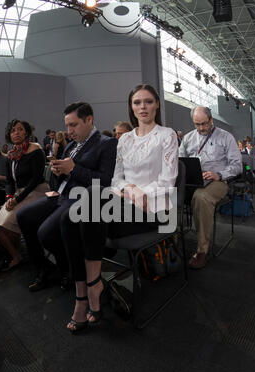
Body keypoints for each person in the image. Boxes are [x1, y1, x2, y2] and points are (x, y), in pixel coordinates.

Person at [61, 84, 179, 333]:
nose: (143, 107)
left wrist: (139, 192)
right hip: (125, 203)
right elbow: (116, 179)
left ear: (157, 104)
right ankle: (86, 290)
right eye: (137, 103)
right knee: (69, 218)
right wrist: (130, 189)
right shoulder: (124, 139)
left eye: (148, 102)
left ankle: (90, 291)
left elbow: (168, 181)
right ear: (131, 107)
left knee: (90, 204)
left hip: (153, 209)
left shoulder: (166, 135)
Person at [17, 102, 117, 293]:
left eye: (74, 125)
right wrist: (57, 172)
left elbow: (106, 182)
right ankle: (46, 269)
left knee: (45, 234)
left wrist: (73, 169)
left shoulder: (107, 143)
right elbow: (63, 177)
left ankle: (72, 271)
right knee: (23, 216)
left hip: (81, 200)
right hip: (60, 195)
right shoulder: (71, 145)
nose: (69, 131)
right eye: (67, 125)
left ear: (89, 120)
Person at [179, 106, 242, 269]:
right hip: (192, 181)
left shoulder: (226, 137)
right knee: (168, 193)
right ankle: (170, 240)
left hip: (218, 182)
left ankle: (202, 250)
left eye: (204, 124)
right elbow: (180, 162)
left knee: (202, 197)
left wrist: (219, 174)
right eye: (197, 124)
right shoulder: (187, 138)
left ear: (211, 120)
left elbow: (237, 166)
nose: (201, 128)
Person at [0, 119, 49, 271]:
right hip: (19, 194)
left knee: (8, 228)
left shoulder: (35, 149)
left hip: (37, 191)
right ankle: (16, 255)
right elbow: (10, 182)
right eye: (13, 130)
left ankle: (23, 256)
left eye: (19, 129)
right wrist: (9, 197)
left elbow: (36, 178)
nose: (16, 133)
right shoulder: (12, 154)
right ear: (9, 135)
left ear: (26, 132)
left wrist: (17, 199)